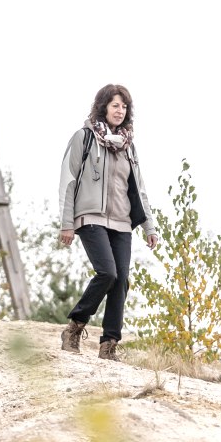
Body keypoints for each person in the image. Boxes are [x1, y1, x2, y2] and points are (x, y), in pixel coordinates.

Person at [57, 83, 160, 360]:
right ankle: (75, 326)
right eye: (115, 105)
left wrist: (149, 226)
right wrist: (67, 223)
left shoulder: (129, 147)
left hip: (122, 222)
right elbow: (68, 182)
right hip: (90, 217)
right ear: (103, 107)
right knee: (108, 273)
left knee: (122, 280)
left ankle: (109, 344)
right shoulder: (84, 138)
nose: (120, 110)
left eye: (124, 106)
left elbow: (139, 188)